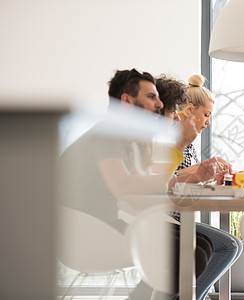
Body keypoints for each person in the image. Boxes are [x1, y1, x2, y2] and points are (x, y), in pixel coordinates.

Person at [58, 69, 228, 300]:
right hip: (88, 229)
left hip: (109, 220)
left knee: (201, 246)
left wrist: (191, 171)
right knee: (189, 252)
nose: (174, 118)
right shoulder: (109, 135)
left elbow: (156, 185)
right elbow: (126, 188)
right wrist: (180, 147)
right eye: (153, 100)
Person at [156, 73, 243, 300]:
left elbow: (178, 180)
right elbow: (167, 179)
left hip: (177, 216)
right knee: (228, 246)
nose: (208, 122)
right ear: (189, 110)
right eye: (206, 115)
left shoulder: (189, 146)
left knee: (231, 246)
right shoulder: (168, 140)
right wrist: (200, 173)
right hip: (167, 218)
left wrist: (207, 176)